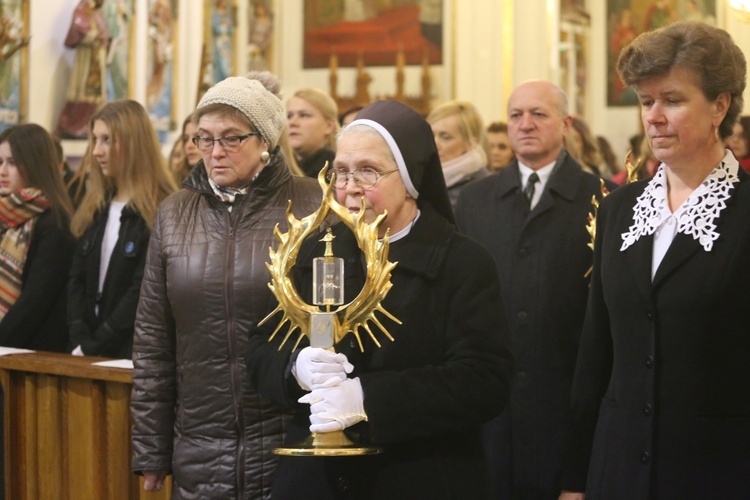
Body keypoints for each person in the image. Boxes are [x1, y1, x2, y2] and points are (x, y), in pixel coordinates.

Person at [246, 100, 512, 498]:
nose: (350, 188)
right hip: (316, 481)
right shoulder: (314, 250)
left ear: (409, 178)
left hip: (419, 475)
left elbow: (484, 381)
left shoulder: (462, 262)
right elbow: (258, 348)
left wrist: (367, 397)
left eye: (368, 171)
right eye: (341, 172)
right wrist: (294, 369)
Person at [561, 21, 750, 499]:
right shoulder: (619, 208)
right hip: (618, 470)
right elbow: (596, 351)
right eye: (647, 102)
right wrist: (575, 480)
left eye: (673, 100)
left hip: (716, 472)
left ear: (720, 106)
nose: (654, 117)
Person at [130, 73, 325, 498]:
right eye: (205, 138)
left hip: (288, 434)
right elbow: (153, 340)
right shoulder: (174, 213)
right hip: (200, 441)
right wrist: (151, 446)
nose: (215, 152)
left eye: (232, 138)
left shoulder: (313, 205)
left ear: (265, 142)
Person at [454, 80, 613, 499]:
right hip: (491, 413)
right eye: (515, 115)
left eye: (538, 114)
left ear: (566, 124)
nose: (525, 124)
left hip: (564, 405)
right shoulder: (474, 201)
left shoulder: (603, 200)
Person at [67, 100, 177, 359]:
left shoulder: (161, 209)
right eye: (94, 139)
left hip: (132, 353)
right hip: (85, 349)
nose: (96, 151)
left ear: (132, 144)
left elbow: (141, 292)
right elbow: (76, 279)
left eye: (107, 140)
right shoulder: (96, 206)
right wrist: (80, 336)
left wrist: (97, 342)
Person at [0, 124, 74, 352]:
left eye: (12, 163)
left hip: (34, 354)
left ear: (35, 164)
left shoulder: (54, 222)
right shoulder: (4, 215)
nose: (2, 170)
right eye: (0, 162)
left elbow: (34, 303)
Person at [56, 0, 110, 139]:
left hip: (97, 57)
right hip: (86, 58)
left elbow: (105, 32)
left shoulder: (97, 11)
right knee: (82, 94)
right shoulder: (81, 9)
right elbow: (79, 30)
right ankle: (74, 127)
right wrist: (94, 36)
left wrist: (103, 38)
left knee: (95, 97)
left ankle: (89, 126)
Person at [427, 100, 489, 207]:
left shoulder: (482, 187)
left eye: (445, 137)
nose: (434, 143)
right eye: (430, 135)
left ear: (470, 144)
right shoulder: (420, 177)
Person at [287, 88, 339, 177]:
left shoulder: (335, 171)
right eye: (289, 116)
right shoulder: (282, 168)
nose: (292, 122)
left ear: (328, 126)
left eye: (304, 115)